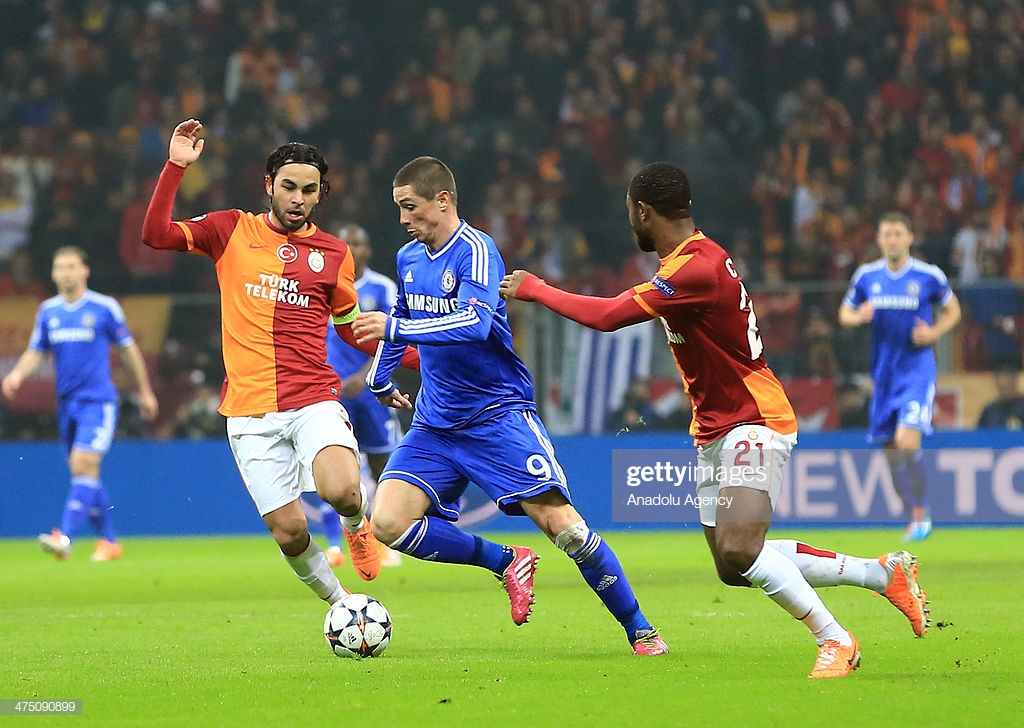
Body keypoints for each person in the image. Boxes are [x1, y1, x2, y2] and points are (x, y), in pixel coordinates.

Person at [500, 162, 930, 678]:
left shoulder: (694, 270)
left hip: (755, 417)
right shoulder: (689, 261)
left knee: (741, 547)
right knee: (733, 565)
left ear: (642, 211)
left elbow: (609, 317)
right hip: (714, 427)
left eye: (630, 213)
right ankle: (883, 575)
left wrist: (536, 289)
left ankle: (837, 640)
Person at [351, 156, 668, 656]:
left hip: (496, 416)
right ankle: (506, 562)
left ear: (443, 200)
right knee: (387, 522)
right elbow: (403, 314)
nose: (403, 219)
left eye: (410, 207)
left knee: (566, 530)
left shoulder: (477, 251)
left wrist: (395, 330)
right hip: (436, 423)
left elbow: (473, 327)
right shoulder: (409, 258)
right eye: (399, 209)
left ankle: (640, 629)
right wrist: (380, 376)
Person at [140, 119, 418, 605]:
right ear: (269, 186)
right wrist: (175, 167)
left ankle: (356, 528)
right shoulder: (229, 229)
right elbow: (156, 235)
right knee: (290, 533)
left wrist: (423, 357)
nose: (297, 198)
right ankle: (343, 604)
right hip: (248, 411)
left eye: (308, 190)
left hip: (312, 397)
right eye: (288, 186)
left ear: (319, 195)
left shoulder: (334, 254)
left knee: (345, 491)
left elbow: (351, 327)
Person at [1, 246, 159, 561]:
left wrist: (144, 391)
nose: (66, 272)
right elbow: (36, 349)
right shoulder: (49, 310)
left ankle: (65, 535)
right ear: (53, 273)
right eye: (60, 267)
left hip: (98, 401)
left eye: (72, 266)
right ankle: (110, 542)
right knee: (84, 472)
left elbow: (128, 351)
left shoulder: (104, 307)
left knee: (83, 465)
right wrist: (17, 374)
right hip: (66, 404)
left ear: (85, 271)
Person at [839, 212, 961, 541]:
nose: (892, 239)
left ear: (909, 237)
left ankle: (922, 518)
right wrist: (858, 315)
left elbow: (954, 310)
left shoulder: (927, 276)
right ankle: (916, 512)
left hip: (917, 372)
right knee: (892, 456)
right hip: (883, 375)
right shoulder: (867, 276)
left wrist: (935, 333)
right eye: (886, 234)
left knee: (908, 442)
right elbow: (844, 313)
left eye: (897, 233)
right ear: (879, 240)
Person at [317, 223, 404, 568]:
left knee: (385, 463)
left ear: (368, 249)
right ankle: (336, 545)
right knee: (335, 466)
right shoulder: (322, 285)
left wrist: (367, 373)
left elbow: (394, 338)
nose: (352, 249)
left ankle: (387, 538)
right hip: (330, 392)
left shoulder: (383, 288)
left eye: (359, 243)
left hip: (371, 391)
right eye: (345, 243)